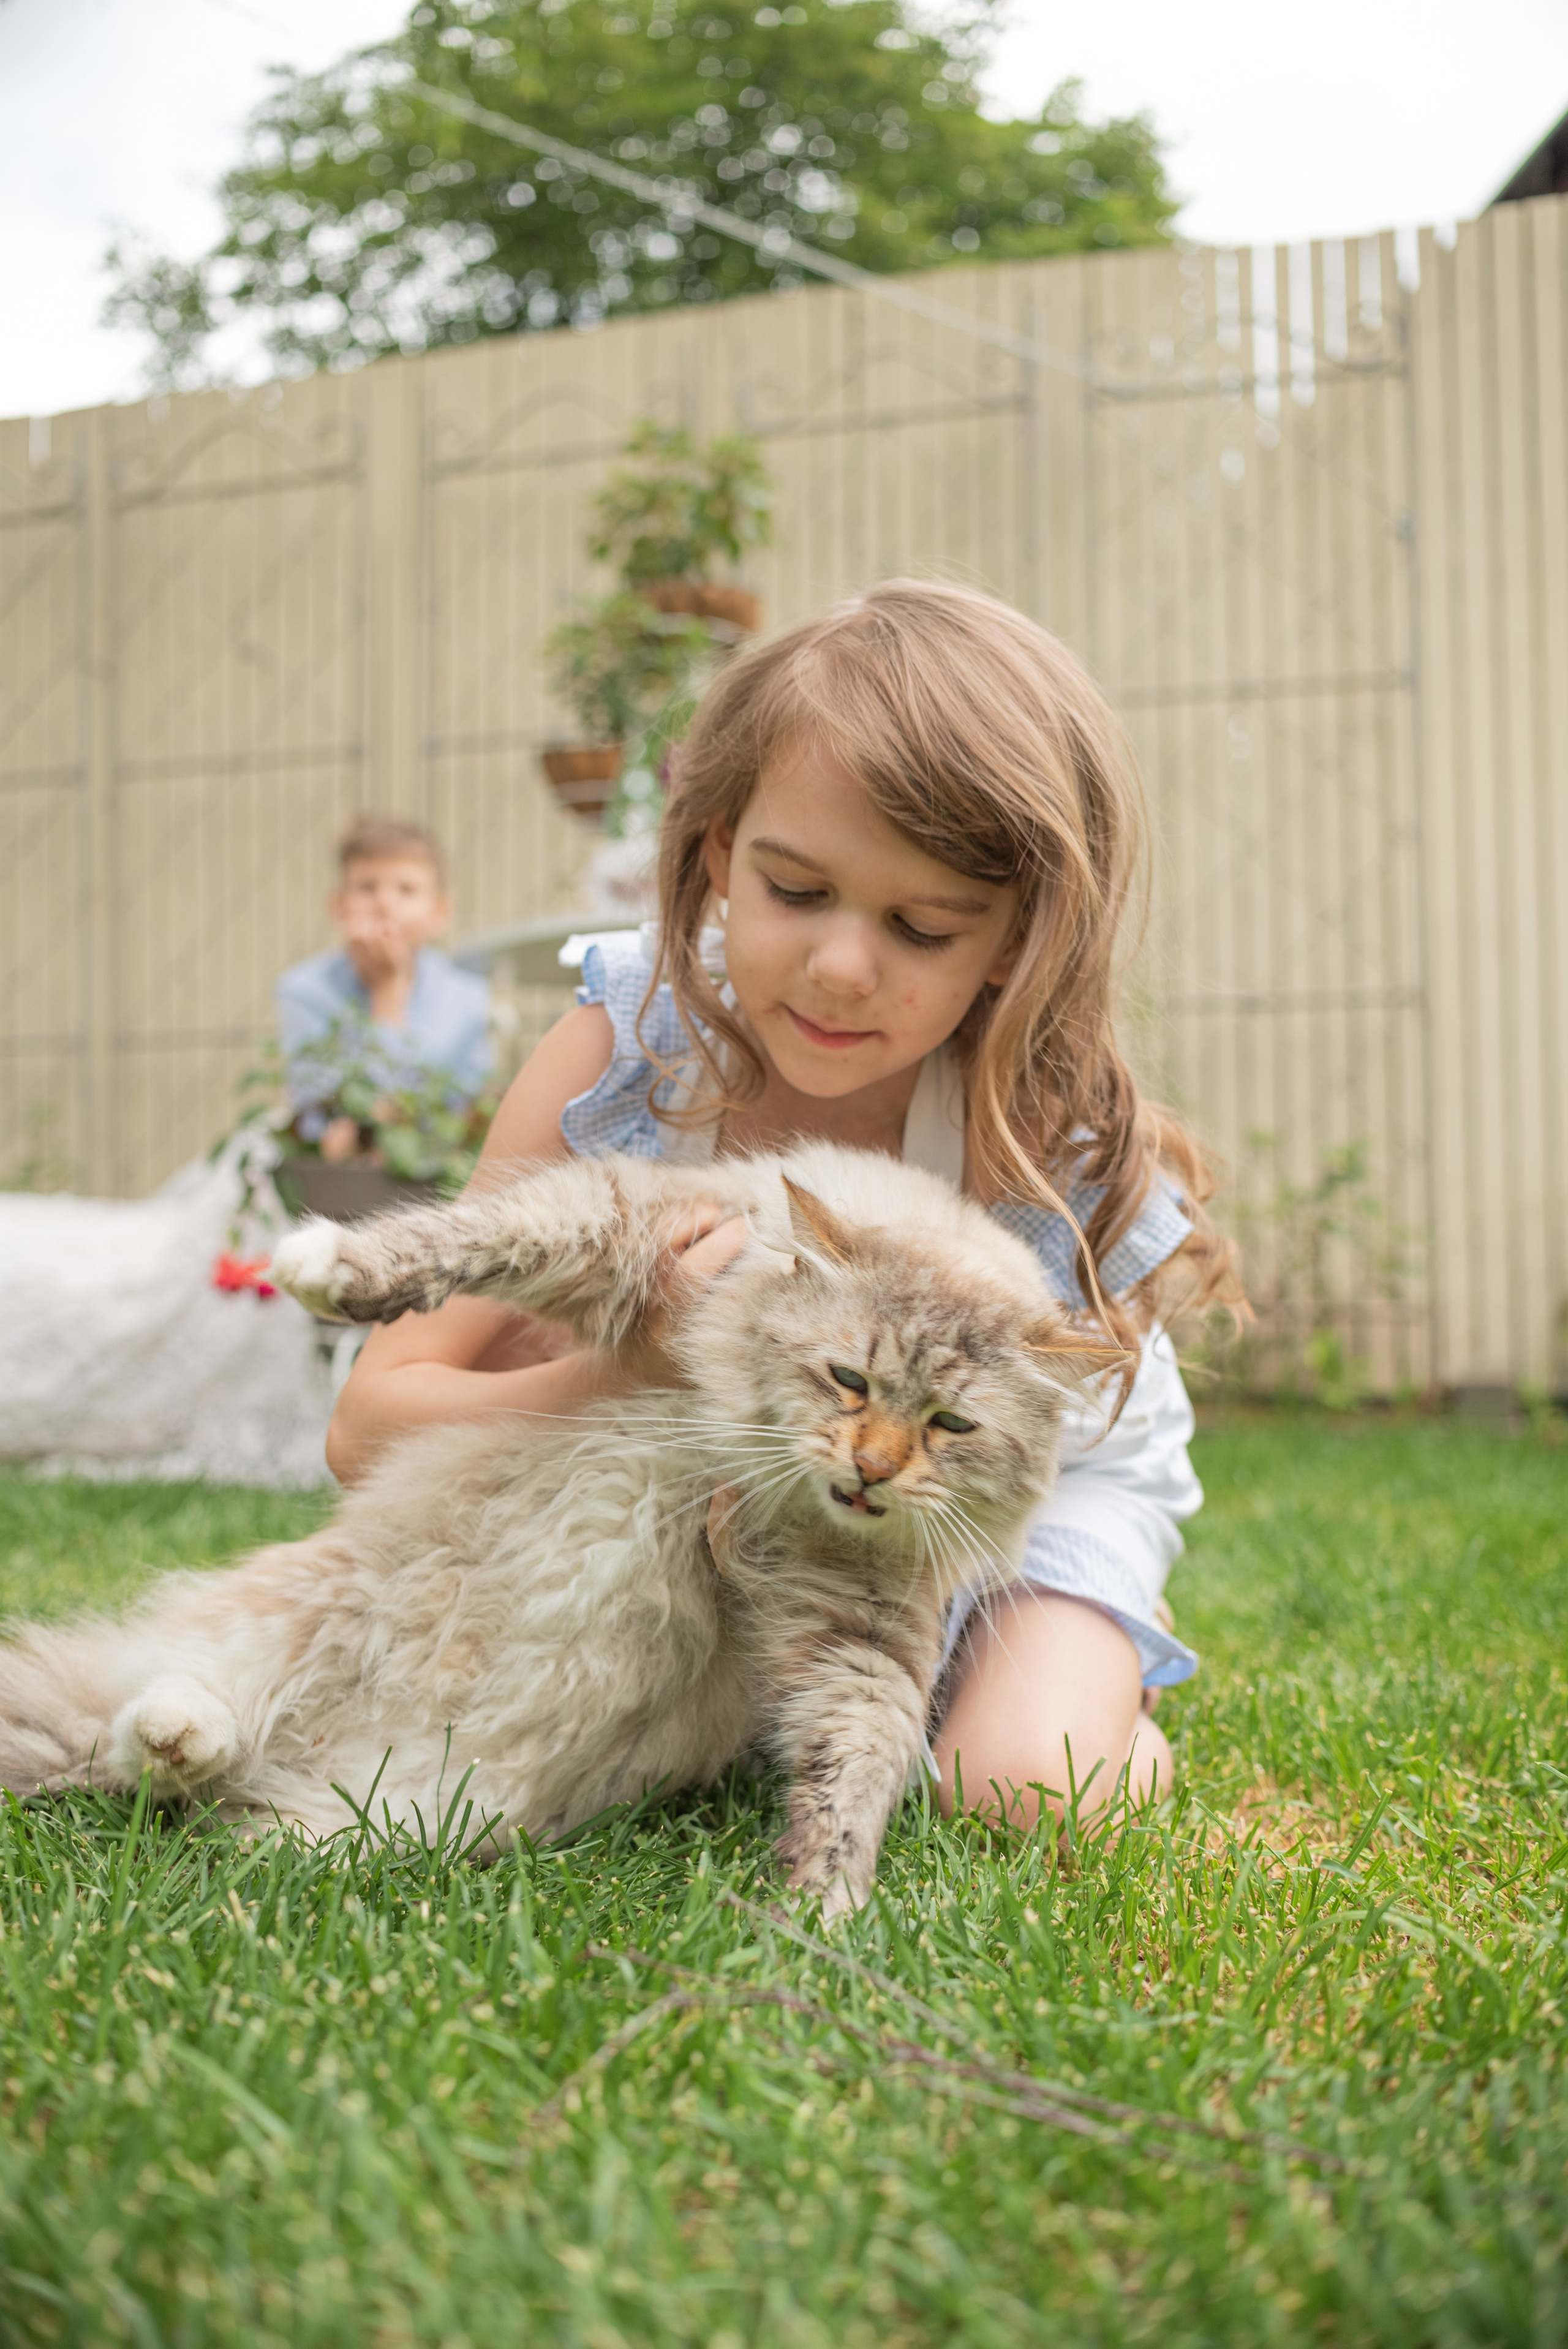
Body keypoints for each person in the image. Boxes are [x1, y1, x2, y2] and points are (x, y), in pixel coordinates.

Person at [324, 584, 1240, 1833]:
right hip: (789, 1472)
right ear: (718, 854)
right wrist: (633, 1373)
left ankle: (1093, 1651)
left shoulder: (1035, 1135)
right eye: (795, 892)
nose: (841, 967)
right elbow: (366, 1425)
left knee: (1019, 1785)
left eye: (922, 927)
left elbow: (1050, 1436)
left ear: (1011, 944)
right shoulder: (622, 1052)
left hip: (1015, 1495)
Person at [276, 816, 491, 1149]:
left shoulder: (467, 996)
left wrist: (389, 990)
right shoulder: (304, 990)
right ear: (339, 906)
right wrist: (387, 991)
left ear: (440, 913)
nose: (384, 903)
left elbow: (468, 1109)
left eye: (406, 890)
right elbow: (315, 1114)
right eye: (367, 888)